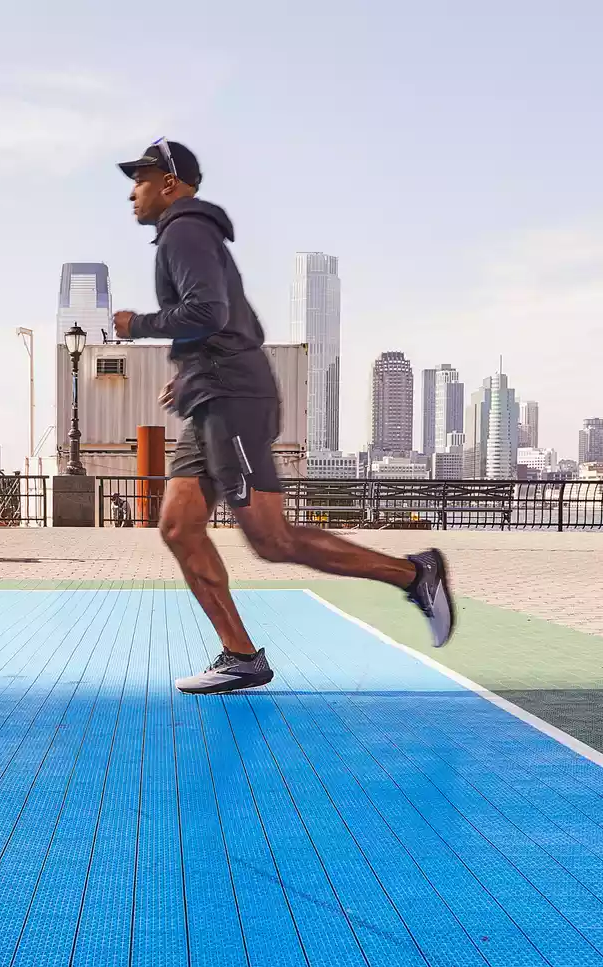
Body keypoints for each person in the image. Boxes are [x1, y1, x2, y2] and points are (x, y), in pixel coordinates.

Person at [111, 139, 455, 694]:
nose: (133, 191)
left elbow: (208, 310)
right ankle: (241, 656)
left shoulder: (185, 229)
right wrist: (193, 367)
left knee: (272, 539)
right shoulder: (188, 233)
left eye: (142, 179)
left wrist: (137, 325)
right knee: (177, 527)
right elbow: (233, 319)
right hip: (212, 394)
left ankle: (415, 574)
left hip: (231, 400)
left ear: (170, 183)